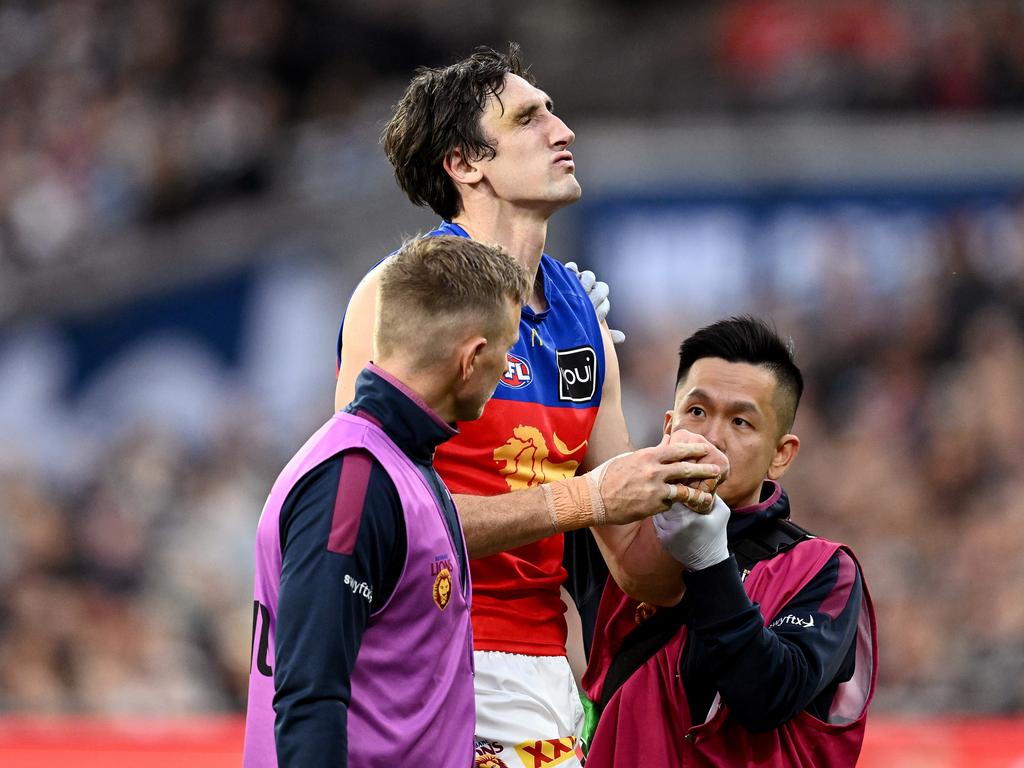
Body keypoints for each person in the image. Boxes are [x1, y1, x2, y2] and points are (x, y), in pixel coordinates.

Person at [334, 44, 727, 766]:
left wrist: (696, 518)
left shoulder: (585, 320)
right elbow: (371, 522)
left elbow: (634, 567)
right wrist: (585, 499)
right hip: (418, 655)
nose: (563, 129)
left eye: (553, 110)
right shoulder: (398, 299)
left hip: (543, 674)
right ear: (465, 163)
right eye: (529, 118)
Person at [242, 235, 531, 768]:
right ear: (472, 359)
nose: (509, 368)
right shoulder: (354, 482)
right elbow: (310, 696)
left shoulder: (402, 465)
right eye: (508, 349)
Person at [582, 316, 878, 767]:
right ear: (668, 425)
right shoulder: (619, 533)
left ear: (781, 454)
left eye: (741, 421)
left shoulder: (823, 569)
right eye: (696, 412)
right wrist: (560, 336)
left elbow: (767, 696)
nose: (711, 437)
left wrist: (711, 563)